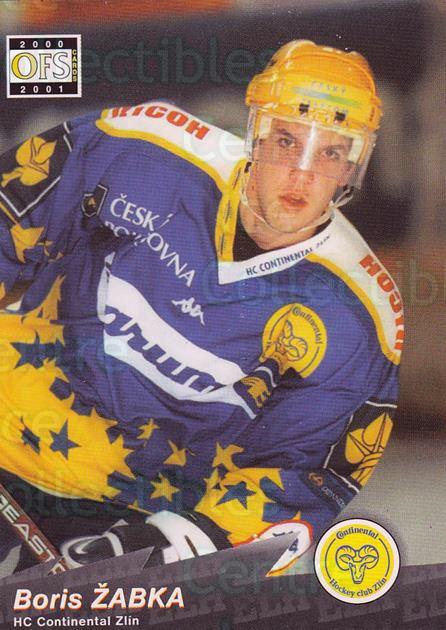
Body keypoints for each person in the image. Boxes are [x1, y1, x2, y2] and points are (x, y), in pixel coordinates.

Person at [0, 40, 403, 574]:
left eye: (330, 153)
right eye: (288, 141)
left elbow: (306, 477)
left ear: (355, 165)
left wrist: (172, 545)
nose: (302, 175)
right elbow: (11, 215)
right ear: (256, 133)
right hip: (11, 427)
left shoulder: (359, 317)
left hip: (136, 511)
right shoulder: (142, 150)